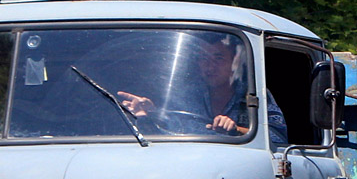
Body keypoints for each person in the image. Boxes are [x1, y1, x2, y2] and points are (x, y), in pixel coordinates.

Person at [115, 33, 288, 149]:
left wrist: (237, 131)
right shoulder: (187, 94)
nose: (209, 66)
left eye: (218, 58)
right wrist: (149, 113)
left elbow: (278, 140)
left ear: (235, 63)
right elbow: (166, 137)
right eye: (203, 58)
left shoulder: (254, 93)